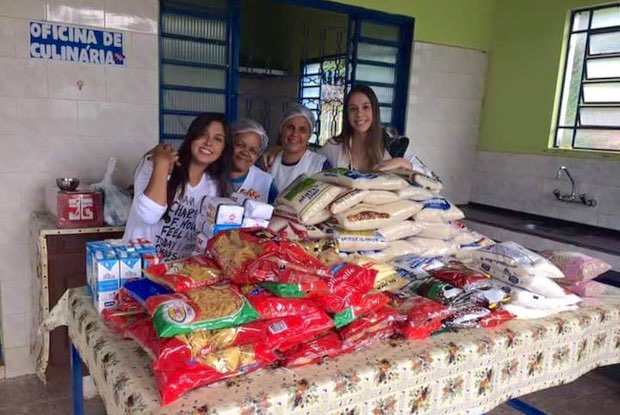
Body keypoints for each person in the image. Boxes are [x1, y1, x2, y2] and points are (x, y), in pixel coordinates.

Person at [123, 112, 232, 260]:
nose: (208, 142)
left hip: (177, 271)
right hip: (136, 266)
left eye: (217, 139)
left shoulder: (214, 186)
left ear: (224, 148)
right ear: (192, 137)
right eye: (202, 134)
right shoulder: (155, 162)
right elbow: (149, 214)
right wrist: (162, 163)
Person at [318, 84, 413, 172]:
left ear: (374, 111)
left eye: (365, 107)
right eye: (353, 109)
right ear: (347, 114)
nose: (359, 114)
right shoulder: (334, 146)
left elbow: (421, 172)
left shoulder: (392, 143)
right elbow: (314, 168)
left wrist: (401, 162)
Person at [268, 104, 330, 191]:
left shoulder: (320, 165)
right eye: (290, 127)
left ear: (309, 135)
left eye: (302, 130)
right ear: (281, 130)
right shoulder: (269, 162)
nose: (295, 134)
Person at [230, 118, 278, 203]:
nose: (245, 152)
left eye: (253, 150)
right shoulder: (210, 174)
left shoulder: (266, 183)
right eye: (240, 145)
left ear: (258, 155)